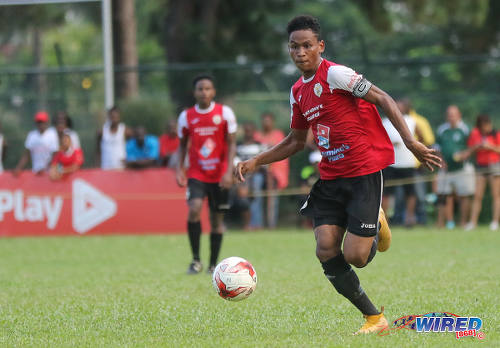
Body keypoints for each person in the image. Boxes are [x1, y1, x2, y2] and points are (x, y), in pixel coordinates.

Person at [235, 15, 440, 334]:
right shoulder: (297, 92)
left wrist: (411, 142)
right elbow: (296, 141)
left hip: (363, 173)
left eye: (306, 45)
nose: (300, 52)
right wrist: (256, 161)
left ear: (320, 46)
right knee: (325, 248)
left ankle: (376, 221)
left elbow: (383, 98)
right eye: (293, 46)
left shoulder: (337, 74)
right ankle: (375, 318)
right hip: (331, 178)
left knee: (356, 257)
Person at [176, 75, 237, 275]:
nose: (204, 92)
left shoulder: (224, 113)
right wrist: (179, 169)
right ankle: (195, 261)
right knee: (193, 209)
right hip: (197, 173)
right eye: (200, 89)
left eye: (208, 88)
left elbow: (232, 143)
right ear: (194, 92)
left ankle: (213, 265)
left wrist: (229, 172)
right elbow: (182, 145)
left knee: (216, 221)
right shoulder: (187, 116)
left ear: (214, 91)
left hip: (220, 175)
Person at [434, 105, 475, 229]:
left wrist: (465, 154)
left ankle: (463, 222)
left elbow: (473, 146)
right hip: (446, 169)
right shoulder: (442, 129)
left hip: (463, 168)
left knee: (464, 195)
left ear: (459, 115)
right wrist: (441, 161)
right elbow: (437, 147)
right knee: (444, 196)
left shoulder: (466, 129)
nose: (451, 117)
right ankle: (446, 223)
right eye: (449, 114)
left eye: (453, 114)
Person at [381, 100, 419, 226]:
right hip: (390, 163)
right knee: (386, 193)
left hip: (408, 163)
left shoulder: (412, 121)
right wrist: (389, 144)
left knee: (410, 192)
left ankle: (409, 218)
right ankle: (384, 220)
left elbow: (422, 137)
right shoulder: (385, 122)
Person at [464, 114, 500, 231]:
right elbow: (469, 148)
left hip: (494, 166)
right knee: (478, 195)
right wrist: (477, 146)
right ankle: (473, 222)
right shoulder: (475, 133)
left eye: (487, 125)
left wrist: (490, 147)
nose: (486, 128)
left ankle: (494, 222)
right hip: (481, 166)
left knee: (496, 195)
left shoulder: (496, 134)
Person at [254, 112, 290, 228]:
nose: (266, 123)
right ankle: (257, 224)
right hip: (259, 172)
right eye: (264, 120)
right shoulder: (257, 136)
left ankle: (271, 225)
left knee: (272, 198)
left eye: (268, 120)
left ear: (273, 122)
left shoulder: (278, 135)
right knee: (256, 187)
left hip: (275, 173)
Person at [14, 111, 59, 176]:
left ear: (47, 122)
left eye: (42, 122)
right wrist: (19, 168)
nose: (40, 124)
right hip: (36, 172)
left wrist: (45, 168)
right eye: (38, 122)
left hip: (49, 173)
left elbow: (55, 155)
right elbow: (27, 155)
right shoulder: (32, 135)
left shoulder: (52, 134)